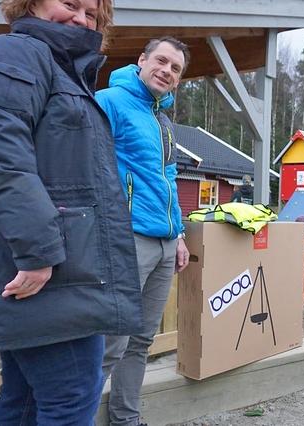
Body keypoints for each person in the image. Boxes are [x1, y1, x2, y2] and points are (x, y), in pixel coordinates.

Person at [0, 0, 143, 422]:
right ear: (30, 3)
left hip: (59, 269)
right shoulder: (11, 54)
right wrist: (38, 253)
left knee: (25, 398)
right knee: (71, 398)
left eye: (92, 14)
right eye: (69, 4)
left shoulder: (59, 67)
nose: (81, 19)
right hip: (49, 271)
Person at [96, 36, 191, 425]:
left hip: (164, 243)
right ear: (142, 60)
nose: (167, 71)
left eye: (175, 69)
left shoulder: (163, 121)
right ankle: (71, 417)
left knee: (140, 341)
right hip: (126, 238)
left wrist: (179, 234)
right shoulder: (109, 101)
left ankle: (125, 419)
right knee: (108, 344)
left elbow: (168, 177)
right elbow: (87, 164)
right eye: (161, 61)